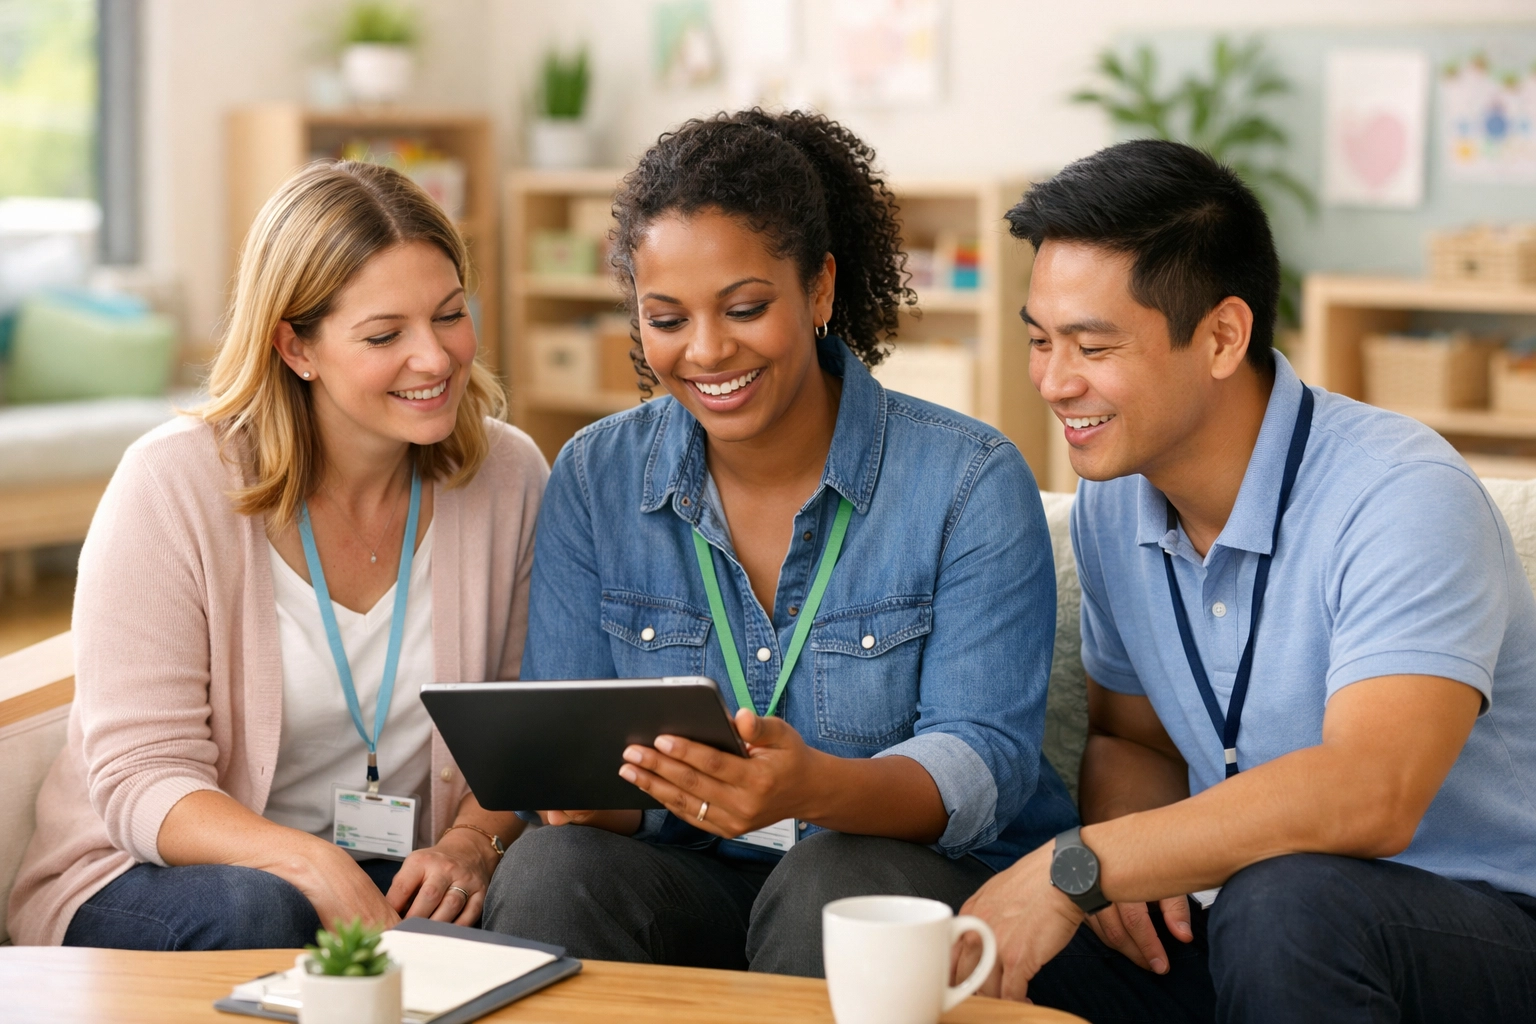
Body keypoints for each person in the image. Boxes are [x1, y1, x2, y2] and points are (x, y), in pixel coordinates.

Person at [479, 109, 1078, 976]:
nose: (708, 350)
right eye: (667, 318)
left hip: (901, 876)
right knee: (550, 869)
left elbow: (983, 762)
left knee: (832, 880)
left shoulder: (968, 480)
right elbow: (580, 743)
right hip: (689, 877)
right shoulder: (593, 475)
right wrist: (582, 799)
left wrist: (814, 789)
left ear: (821, 289)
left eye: (746, 307)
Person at [952, 139, 1536, 1022]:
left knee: (1287, 905)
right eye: (1040, 341)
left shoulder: (1403, 496)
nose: (1054, 381)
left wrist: (1083, 865)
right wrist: (1126, 882)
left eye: (1093, 345)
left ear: (1222, 335)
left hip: (1471, 920)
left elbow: (1372, 792)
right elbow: (1134, 739)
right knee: (971, 937)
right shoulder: (1115, 501)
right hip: (1244, 915)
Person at [7, 161, 548, 949]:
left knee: (551, 891)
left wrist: (471, 844)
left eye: (450, 315)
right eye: (384, 335)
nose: (434, 359)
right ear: (296, 347)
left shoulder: (509, 475)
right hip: (156, 872)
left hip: (392, 876)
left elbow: (527, 720)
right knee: (266, 912)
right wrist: (311, 865)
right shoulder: (172, 484)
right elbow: (142, 778)